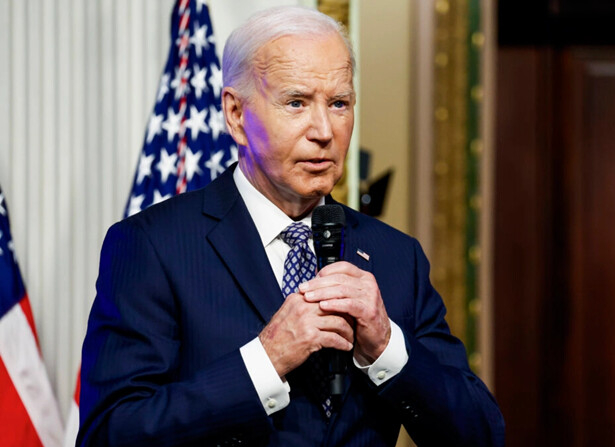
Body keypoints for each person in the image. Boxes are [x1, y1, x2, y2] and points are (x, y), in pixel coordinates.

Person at [77, 6, 505, 447]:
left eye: (339, 103)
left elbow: (481, 434)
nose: (323, 130)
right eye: (297, 102)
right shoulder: (153, 246)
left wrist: (388, 346)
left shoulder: (397, 257)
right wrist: (266, 359)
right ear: (236, 114)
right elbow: (110, 434)